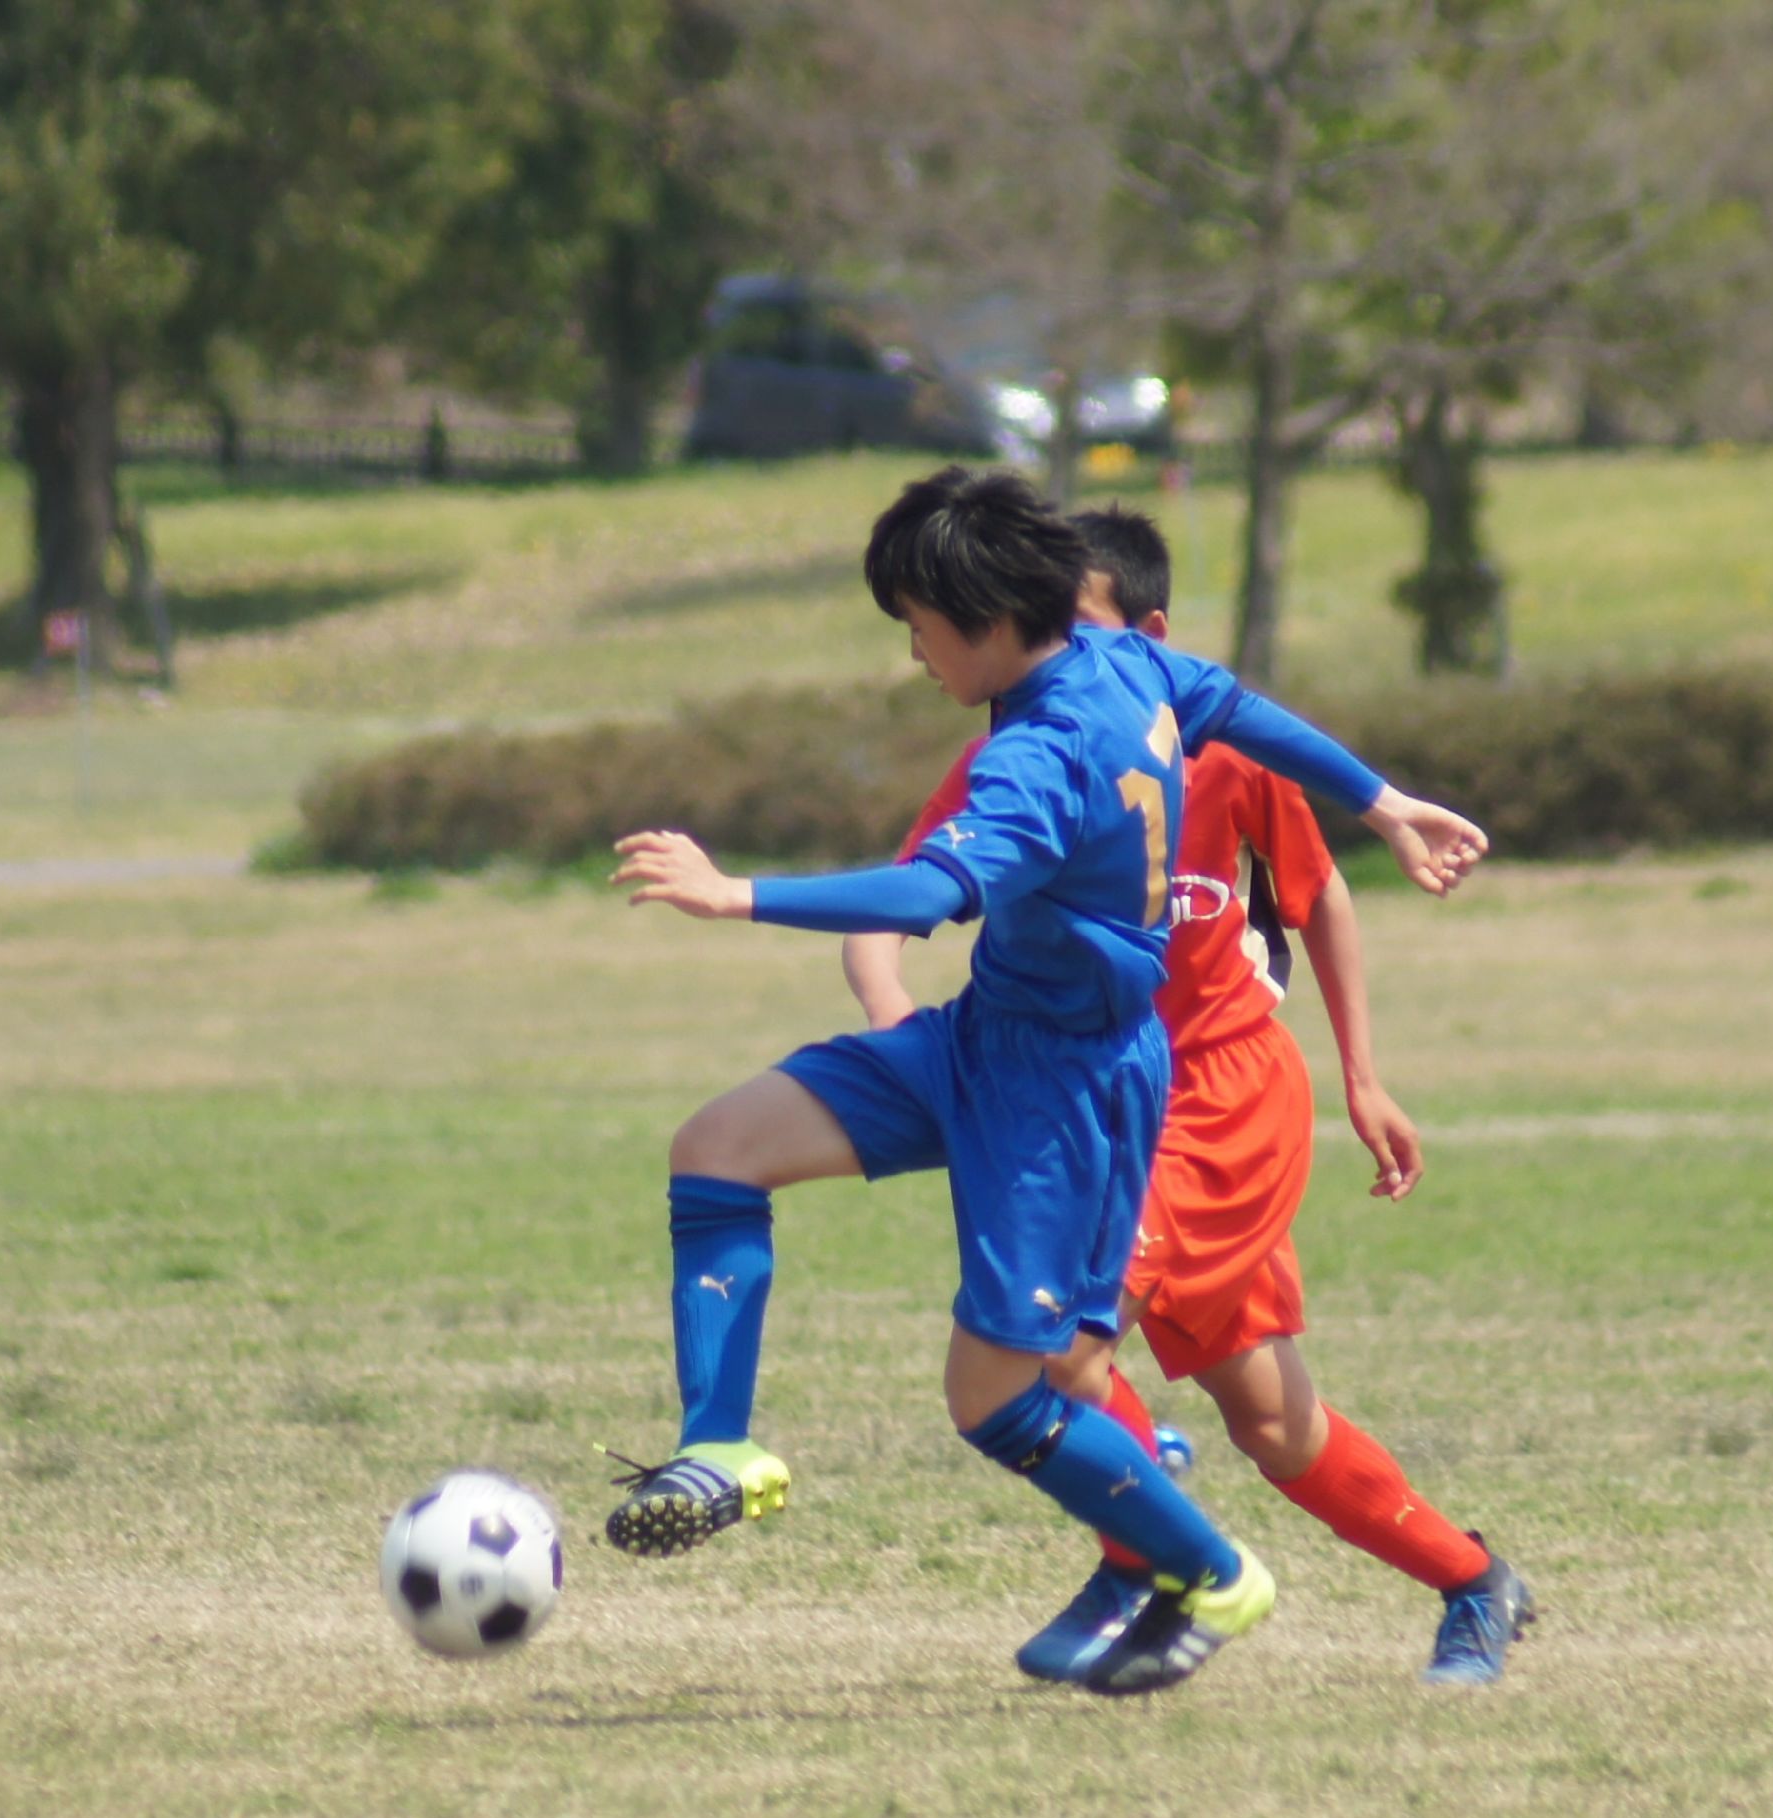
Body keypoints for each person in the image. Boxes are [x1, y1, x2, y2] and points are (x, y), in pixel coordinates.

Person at [607, 467, 1486, 1695]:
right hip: (982, 1035)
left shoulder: (1047, 751)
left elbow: (930, 890)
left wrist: (731, 893)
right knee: (716, 1147)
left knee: (996, 1396)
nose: (914, 654)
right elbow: (1241, 705)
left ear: (984, 619)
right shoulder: (1125, 666)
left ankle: (1208, 1570)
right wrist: (1384, 803)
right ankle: (721, 1451)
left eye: (918, 626)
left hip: (1066, 1092)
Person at [844, 508, 1534, 1688]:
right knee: (1273, 1422)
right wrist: (899, 1022)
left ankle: (1151, 1557)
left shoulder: (1231, 756)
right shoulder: (1021, 746)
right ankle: (1475, 1581)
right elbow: (893, 905)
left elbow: (1320, 898)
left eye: (1078, 623)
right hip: (1096, 1102)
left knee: (1056, 1353)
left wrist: (1364, 1078)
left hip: (1221, 1103)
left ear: (1149, 636)